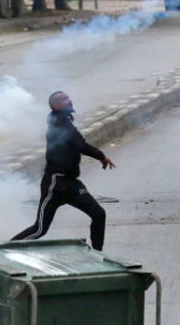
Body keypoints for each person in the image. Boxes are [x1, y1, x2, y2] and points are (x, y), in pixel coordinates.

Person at [12, 91, 116, 249]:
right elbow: (80, 145)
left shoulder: (64, 121)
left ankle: (98, 255)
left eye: (68, 97)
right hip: (55, 184)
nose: (69, 100)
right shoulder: (59, 123)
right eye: (64, 99)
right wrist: (101, 156)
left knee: (98, 214)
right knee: (40, 229)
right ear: (55, 105)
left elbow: (78, 144)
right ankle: (4, 249)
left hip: (71, 183)